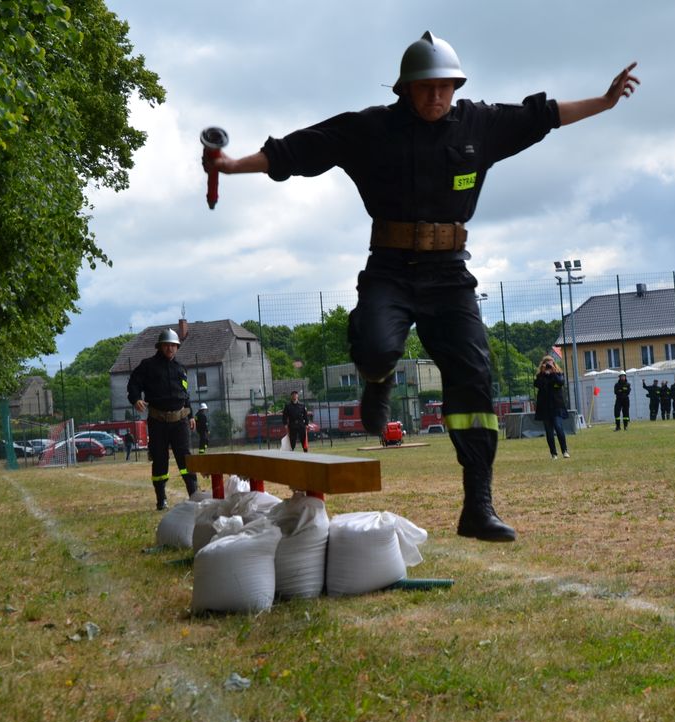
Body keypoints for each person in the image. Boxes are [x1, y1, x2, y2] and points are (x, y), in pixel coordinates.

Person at [204, 31, 639, 542]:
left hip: (450, 274)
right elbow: (297, 151)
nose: (436, 97)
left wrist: (606, 102)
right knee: (374, 342)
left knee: (475, 376)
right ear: (405, 89)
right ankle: (377, 378)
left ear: (455, 87)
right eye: (425, 88)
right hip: (390, 266)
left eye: (445, 87)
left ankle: (478, 504)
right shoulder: (371, 129)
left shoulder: (479, 124)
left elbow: (542, 117)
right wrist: (233, 165)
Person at [127, 328, 199, 510]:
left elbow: (185, 393)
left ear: (177, 347)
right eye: (167, 345)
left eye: (174, 346)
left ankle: (195, 495)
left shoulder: (181, 368)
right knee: (160, 460)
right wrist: (135, 399)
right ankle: (161, 499)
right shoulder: (147, 365)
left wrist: (190, 414)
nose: (170, 349)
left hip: (180, 421)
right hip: (158, 421)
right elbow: (133, 383)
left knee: (186, 460)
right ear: (160, 346)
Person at [534, 356, 569, 459]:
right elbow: (537, 384)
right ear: (543, 365)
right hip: (544, 407)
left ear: (554, 365)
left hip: (556, 406)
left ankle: (565, 451)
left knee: (558, 427)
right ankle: (553, 453)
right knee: (549, 431)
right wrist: (543, 372)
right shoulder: (540, 376)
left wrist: (553, 372)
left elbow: (560, 382)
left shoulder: (558, 374)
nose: (549, 366)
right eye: (547, 364)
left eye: (551, 364)